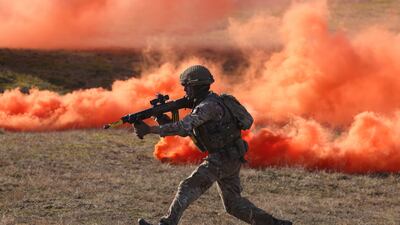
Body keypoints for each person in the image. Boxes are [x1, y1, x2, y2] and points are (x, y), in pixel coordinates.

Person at [134, 65, 293, 225]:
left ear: (196, 86)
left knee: (188, 187)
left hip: (222, 158)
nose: (185, 91)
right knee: (234, 205)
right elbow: (184, 131)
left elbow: (183, 127)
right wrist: (160, 118)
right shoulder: (209, 102)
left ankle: (167, 223)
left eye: (187, 86)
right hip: (232, 156)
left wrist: (149, 130)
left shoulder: (207, 107)